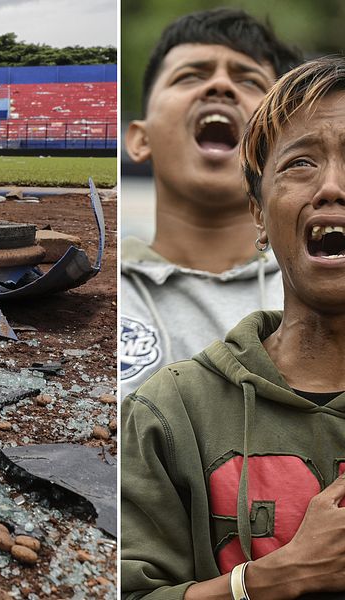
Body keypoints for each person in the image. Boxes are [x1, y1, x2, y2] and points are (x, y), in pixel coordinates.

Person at [122, 55, 345, 599]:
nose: (332, 187)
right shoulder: (169, 412)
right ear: (259, 213)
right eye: (300, 164)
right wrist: (272, 579)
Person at [120, 8, 302, 395]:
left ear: (284, 144)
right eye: (190, 76)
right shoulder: (109, 289)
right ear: (140, 138)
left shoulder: (324, 290)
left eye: (249, 80)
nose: (220, 86)